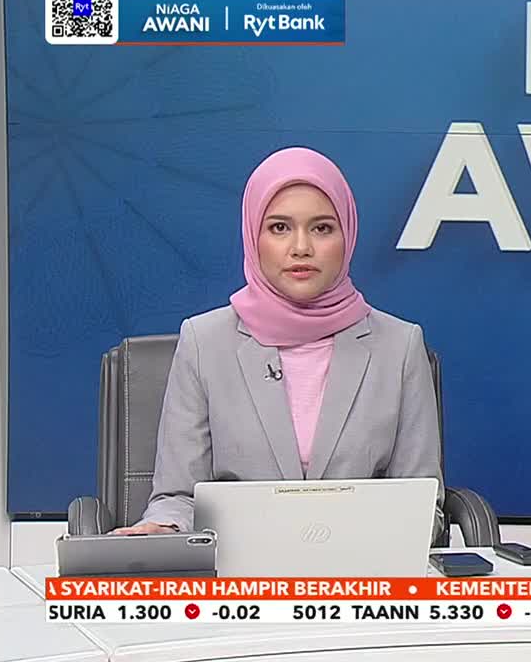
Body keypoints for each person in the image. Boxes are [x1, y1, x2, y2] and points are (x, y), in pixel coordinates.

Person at [111, 147, 445, 542]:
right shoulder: (204, 342)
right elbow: (178, 495)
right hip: (238, 578)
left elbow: (423, 503)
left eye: (322, 228)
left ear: (348, 235)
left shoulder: (400, 346)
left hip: (361, 575)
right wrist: (163, 525)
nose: (300, 247)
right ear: (254, 235)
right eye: (279, 228)